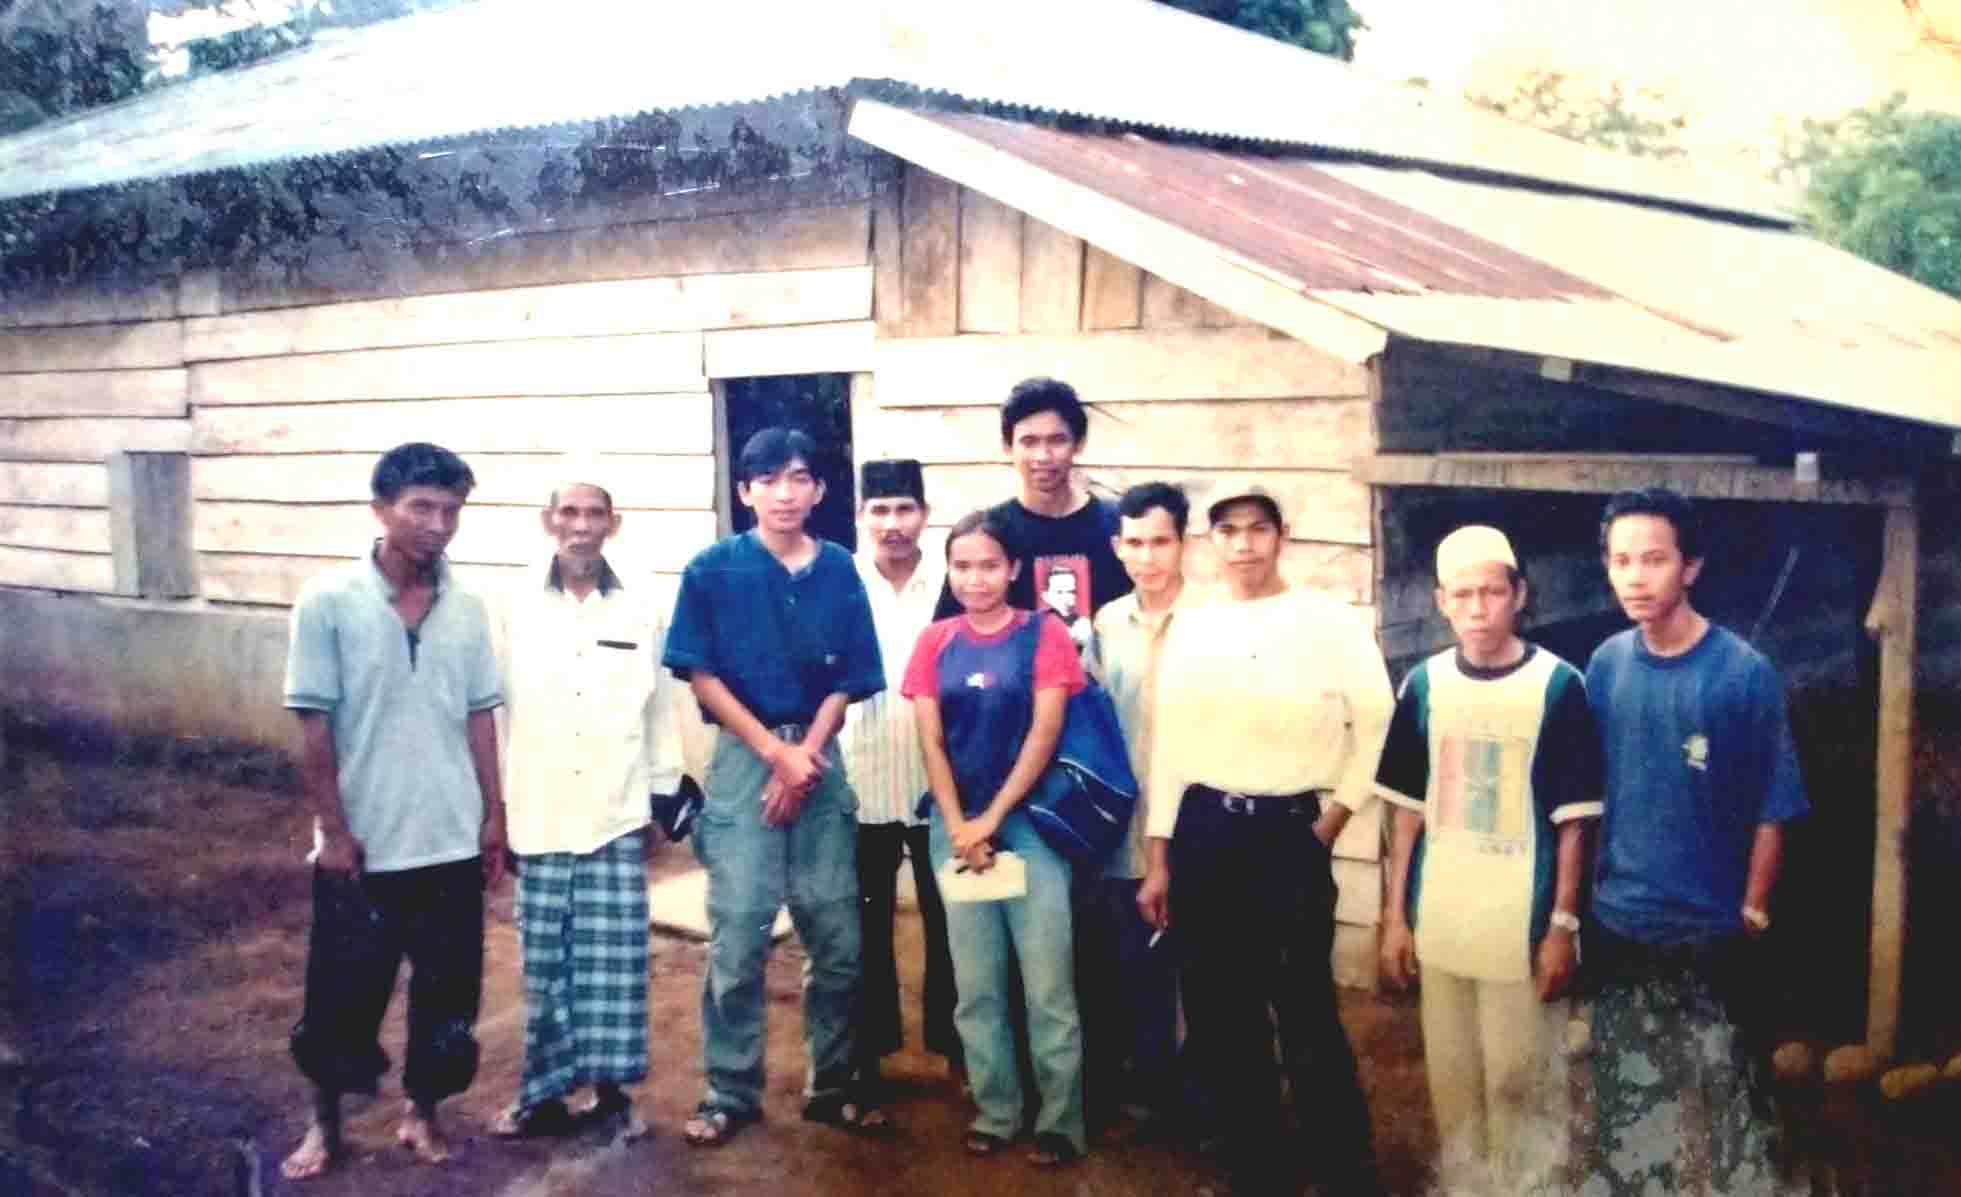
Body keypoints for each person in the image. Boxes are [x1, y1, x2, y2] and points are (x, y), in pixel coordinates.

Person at [1141, 485, 1392, 1197]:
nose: (1244, 544)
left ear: (1283, 534)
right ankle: (1256, 1168)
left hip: (1289, 833)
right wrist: (1159, 857)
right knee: (1222, 1013)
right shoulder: (1190, 626)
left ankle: (1344, 1171)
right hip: (1206, 831)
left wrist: (1334, 816)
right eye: (1228, 530)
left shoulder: (1326, 620)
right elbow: (1171, 747)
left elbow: (1377, 724)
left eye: (1258, 528)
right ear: (1209, 542)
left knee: (1304, 1005)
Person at [278, 442, 506, 1180]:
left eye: (450, 510)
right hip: (364, 845)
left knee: (447, 997)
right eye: (420, 507)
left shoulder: (469, 608)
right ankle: (325, 1126)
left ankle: (423, 1112)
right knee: (339, 995)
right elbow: (314, 724)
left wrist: (492, 818)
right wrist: (335, 833)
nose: (437, 524)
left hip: (448, 840)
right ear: (381, 509)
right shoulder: (327, 601)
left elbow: (478, 718)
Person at [662, 427, 889, 1147]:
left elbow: (849, 677)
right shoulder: (713, 569)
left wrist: (805, 756)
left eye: (799, 478)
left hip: (819, 758)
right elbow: (700, 672)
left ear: (818, 489)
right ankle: (729, 1089)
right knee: (739, 932)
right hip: (741, 756)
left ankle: (834, 1084)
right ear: (745, 490)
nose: (785, 493)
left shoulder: (840, 569)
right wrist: (773, 753)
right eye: (769, 480)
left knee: (837, 935)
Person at [1583, 488, 1807, 1195]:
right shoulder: (1605, 665)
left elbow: (1775, 804)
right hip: (1622, 924)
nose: (1635, 576)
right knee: (1629, 1107)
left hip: (1712, 932)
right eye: (1620, 560)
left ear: (1691, 566)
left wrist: (1752, 908)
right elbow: (1589, 794)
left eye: (1653, 558)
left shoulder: (1741, 673)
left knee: (1732, 1103)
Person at [1376, 525, 1603, 1194]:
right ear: (1440, 600)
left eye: (1492, 592)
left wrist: (1562, 923)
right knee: (1454, 1082)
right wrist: (1394, 917)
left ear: (1519, 595)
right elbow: (1405, 811)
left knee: (1518, 1078)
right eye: (1462, 594)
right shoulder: (1423, 685)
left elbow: (1575, 822)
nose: (1477, 608)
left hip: (1521, 920)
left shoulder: (1558, 686)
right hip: (1443, 913)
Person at [492, 460, 686, 1141]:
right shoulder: (510, 604)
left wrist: (663, 793)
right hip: (537, 809)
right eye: (568, 513)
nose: (580, 526)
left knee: (614, 963)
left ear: (613, 523)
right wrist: (494, 810)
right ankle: (541, 1095)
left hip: (615, 809)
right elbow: (492, 714)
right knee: (545, 963)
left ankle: (610, 1095)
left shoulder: (638, 605)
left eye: (593, 513)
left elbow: (658, 705)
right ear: (549, 521)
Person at [906, 508, 1089, 1166]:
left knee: (1047, 983)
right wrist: (958, 822)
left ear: (1014, 569)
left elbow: (1044, 733)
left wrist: (991, 817)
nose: (975, 579)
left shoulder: (1044, 635)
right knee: (975, 982)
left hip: (1029, 826)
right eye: (962, 566)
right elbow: (929, 737)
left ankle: (1060, 1119)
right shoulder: (934, 642)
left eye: (988, 565)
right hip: (952, 830)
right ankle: (996, 1107)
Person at [840, 459, 961, 1091]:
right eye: (879, 511)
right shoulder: (841, 579)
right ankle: (868, 1053)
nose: (892, 524)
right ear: (862, 517)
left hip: (940, 784)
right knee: (863, 923)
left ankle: (958, 1045)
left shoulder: (953, 580)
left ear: (924, 513)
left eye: (904, 509)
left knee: (953, 920)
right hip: (859, 780)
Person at [1081, 482, 1191, 1134]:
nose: (1146, 556)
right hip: (1126, 821)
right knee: (1135, 955)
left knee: (1201, 965)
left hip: (1199, 821)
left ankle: (1206, 1095)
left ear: (1182, 543)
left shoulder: (1214, 621)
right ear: (1117, 546)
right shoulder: (1105, 623)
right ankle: (1148, 1088)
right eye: (1134, 542)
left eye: (1160, 541)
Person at [932, 377, 1131, 627]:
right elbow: (947, 633)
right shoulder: (988, 533)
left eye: (1057, 440)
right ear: (1008, 446)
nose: (1043, 456)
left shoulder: (1116, 525)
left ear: (1079, 443)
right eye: (1029, 442)